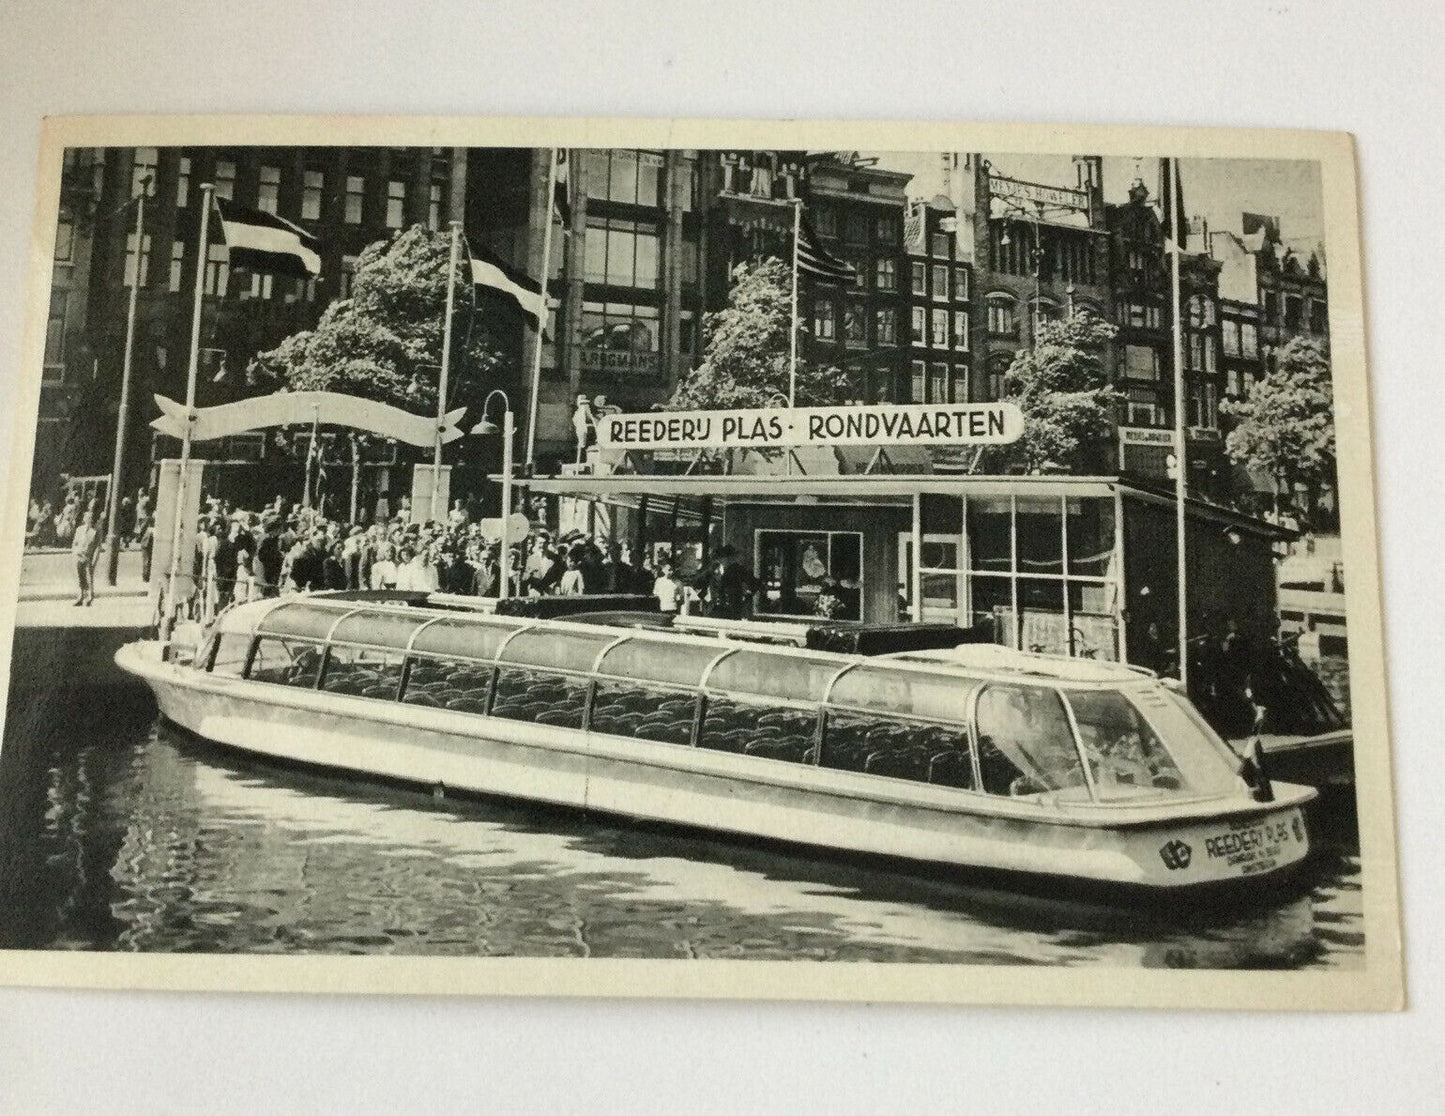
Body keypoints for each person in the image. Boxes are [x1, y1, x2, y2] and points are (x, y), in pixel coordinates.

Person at [704, 544, 756, 620]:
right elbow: (698, 583)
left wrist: (747, 597)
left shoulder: (737, 569)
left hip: (734, 608)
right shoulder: (713, 570)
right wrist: (707, 599)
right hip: (717, 610)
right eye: (720, 558)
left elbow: (754, 583)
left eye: (724, 558)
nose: (722, 560)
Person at [71, 510, 101, 606]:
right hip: (78, 555)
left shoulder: (96, 531)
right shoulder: (79, 529)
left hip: (88, 557)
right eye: (87, 518)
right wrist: (75, 552)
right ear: (84, 519)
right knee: (79, 577)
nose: (89, 520)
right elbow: (75, 542)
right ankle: (80, 597)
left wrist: (94, 561)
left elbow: (97, 547)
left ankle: (90, 597)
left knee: (88, 577)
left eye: (91, 518)